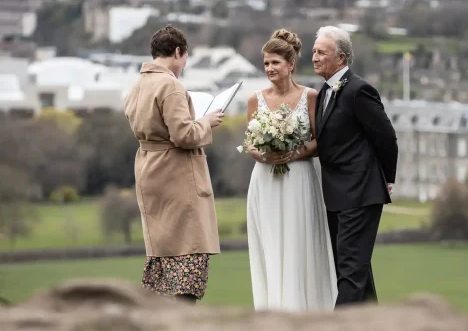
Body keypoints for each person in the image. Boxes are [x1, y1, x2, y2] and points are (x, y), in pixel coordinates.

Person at [123, 25, 225, 304]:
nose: (183, 65)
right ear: (178, 52)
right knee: (188, 246)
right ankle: (181, 318)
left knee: (163, 247)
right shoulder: (170, 85)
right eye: (184, 58)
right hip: (175, 173)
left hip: (148, 168)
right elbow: (184, 134)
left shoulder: (138, 84)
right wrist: (207, 121)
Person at [245, 29, 338, 312]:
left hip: (299, 179)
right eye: (266, 64)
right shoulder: (255, 99)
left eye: (275, 62)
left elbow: (320, 142)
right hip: (266, 181)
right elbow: (249, 143)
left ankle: (306, 311)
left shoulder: (310, 96)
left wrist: (293, 153)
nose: (270, 69)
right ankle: (273, 310)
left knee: (300, 244)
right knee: (272, 245)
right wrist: (265, 155)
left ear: (290, 64)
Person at [312, 25, 398, 307]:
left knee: (349, 273)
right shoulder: (323, 93)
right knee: (354, 268)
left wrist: (387, 179)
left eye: (321, 52)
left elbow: (386, 137)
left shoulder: (360, 90)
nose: (314, 57)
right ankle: (375, 330)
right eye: (314, 51)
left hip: (361, 193)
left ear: (341, 58)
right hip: (336, 195)